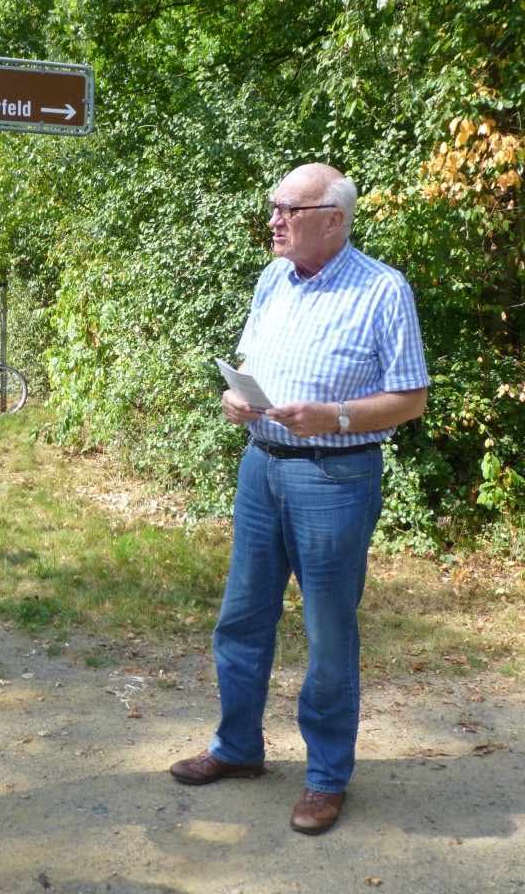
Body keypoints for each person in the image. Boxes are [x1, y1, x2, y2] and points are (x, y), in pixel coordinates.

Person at [170, 163, 429, 835]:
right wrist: (237, 395)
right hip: (261, 469)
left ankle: (325, 778)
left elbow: (412, 398)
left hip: (334, 480)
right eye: (274, 206)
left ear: (334, 219)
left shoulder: (382, 290)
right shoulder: (271, 280)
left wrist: (336, 417)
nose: (275, 219)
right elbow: (250, 359)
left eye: (290, 207)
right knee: (241, 619)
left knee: (327, 634)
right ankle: (237, 749)